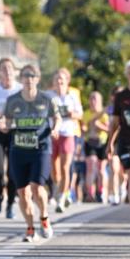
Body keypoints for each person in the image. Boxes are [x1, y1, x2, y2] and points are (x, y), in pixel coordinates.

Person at [2, 64, 60, 242]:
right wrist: (3, 125)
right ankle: (29, 228)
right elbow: (7, 120)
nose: (29, 79)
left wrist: (55, 129)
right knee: (23, 193)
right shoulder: (12, 100)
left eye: (32, 75)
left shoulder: (46, 99)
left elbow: (56, 117)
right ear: (21, 79)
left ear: (38, 78)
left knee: (36, 187)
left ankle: (43, 217)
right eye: (26, 76)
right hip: (18, 150)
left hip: (40, 148)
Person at [0, 57, 21, 218]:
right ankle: (0, 195)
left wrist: (10, 118)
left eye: (9, 68)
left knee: (13, 170)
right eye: (3, 69)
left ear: (15, 72)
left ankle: (10, 204)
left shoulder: (20, 90)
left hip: (15, 132)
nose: (7, 71)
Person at [49, 67, 83, 212]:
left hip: (67, 133)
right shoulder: (48, 95)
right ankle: (58, 188)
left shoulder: (72, 96)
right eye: (57, 79)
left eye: (62, 79)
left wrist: (70, 113)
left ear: (67, 81)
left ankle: (62, 198)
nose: (59, 82)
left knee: (65, 167)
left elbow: (79, 114)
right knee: (54, 169)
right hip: (52, 134)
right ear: (54, 82)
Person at [107, 60, 130, 213]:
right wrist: (110, 142)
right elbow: (115, 122)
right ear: (127, 75)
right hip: (126, 141)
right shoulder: (121, 97)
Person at [82, 91, 110, 203]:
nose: (93, 101)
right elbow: (83, 128)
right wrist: (85, 128)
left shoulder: (104, 114)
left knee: (101, 169)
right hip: (90, 142)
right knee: (91, 165)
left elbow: (108, 129)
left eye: (95, 99)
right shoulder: (86, 113)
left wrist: (99, 126)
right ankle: (90, 194)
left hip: (102, 143)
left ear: (100, 101)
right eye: (91, 99)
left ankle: (101, 192)